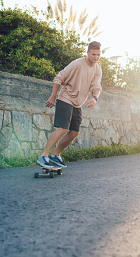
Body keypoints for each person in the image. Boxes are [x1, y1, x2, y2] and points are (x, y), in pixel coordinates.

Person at [36, 41, 103, 169]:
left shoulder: (97, 69)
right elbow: (59, 77)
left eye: (98, 55)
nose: (96, 57)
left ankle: (55, 155)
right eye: (93, 54)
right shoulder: (77, 64)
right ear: (87, 52)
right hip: (66, 98)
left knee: (74, 132)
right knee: (63, 128)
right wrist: (53, 96)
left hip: (78, 103)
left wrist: (95, 98)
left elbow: (96, 86)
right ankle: (43, 156)